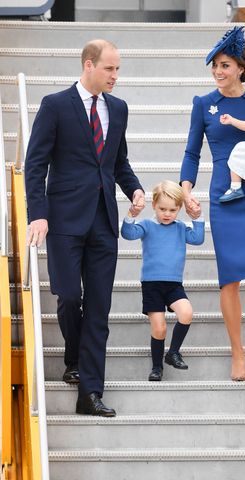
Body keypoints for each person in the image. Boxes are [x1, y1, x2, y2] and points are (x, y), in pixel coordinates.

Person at [25, 39, 145, 416]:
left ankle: (90, 393)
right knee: (68, 295)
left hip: (103, 220)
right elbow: (35, 164)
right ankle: (74, 355)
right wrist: (38, 213)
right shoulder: (55, 105)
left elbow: (117, 162)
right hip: (62, 219)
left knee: (99, 307)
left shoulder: (119, 109)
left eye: (118, 69)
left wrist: (135, 189)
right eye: (110, 68)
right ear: (89, 65)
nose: (115, 76)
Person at [180, 26, 245, 380]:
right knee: (231, 279)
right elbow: (192, 152)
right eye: (214, 67)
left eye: (224, 65)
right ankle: (238, 352)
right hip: (224, 194)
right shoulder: (203, 104)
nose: (218, 72)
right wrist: (186, 189)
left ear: (240, 67)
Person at [121, 180, 204, 381]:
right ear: (154, 206)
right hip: (152, 285)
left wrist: (198, 218)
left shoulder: (180, 227)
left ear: (179, 209)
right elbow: (127, 234)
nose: (167, 214)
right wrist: (132, 214)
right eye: (162, 209)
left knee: (186, 313)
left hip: (174, 284)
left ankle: (173, 352)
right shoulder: (148, 225)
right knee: (159, 328)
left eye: (173, 210)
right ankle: (157, 367)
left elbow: (198, 238)